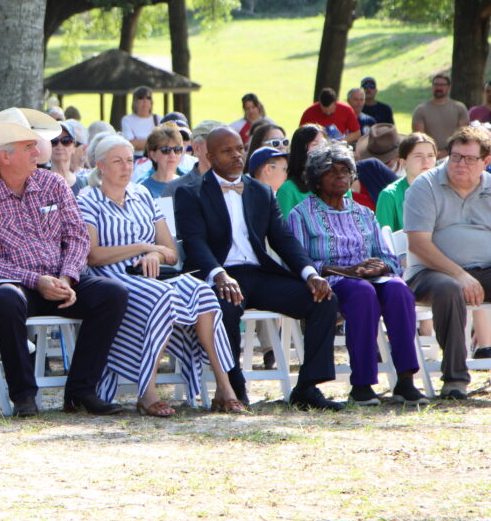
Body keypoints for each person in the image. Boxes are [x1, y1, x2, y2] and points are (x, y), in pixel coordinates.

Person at [0, 107, 129, 417]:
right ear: (5, 157)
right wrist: (37, 281)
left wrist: (66, 277)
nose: (38, 151)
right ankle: (24, 396)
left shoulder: (53, 184)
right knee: (7, 301)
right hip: (14, 286)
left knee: (112, 294)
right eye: (29, 146)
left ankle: (80, 392)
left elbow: (78, 238)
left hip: (60, 281)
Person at [174, 127, 341, 411]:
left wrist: (310, 274)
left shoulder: (260, 192)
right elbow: (195, 242)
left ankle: (307, 388)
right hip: (219, 275)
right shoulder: (191, 193)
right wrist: (219, 275)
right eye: (227, 151)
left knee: (324, 299)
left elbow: (283, 239)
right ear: (211, 157)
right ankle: (234, 389)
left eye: (240, 148)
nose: (237, 155)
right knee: (223, 306)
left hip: (259, 274)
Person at [78, 135, 245, 415]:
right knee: (163, 296)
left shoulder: (142, 194)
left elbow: (171, 252)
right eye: (118, 161)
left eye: (130, 160)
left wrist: (155, 254)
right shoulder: (88, 199)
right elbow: (93, 255)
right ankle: (147, 392)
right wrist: (143, 247)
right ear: (101, 166)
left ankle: (224, 387)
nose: (126, 167)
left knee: (203, 292)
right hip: (112, 277)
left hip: (154, 275)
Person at [287, 145, 425, 405]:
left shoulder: (363, 212)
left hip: (370, 277)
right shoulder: (302, 214)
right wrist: (344, 271)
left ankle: (405, 380)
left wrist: (380, 267)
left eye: (346, 170)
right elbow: (299, 261)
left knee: (398, 290)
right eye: (331, 171)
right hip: (330, 281)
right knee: (363, 293)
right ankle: (362, 385)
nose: (340, 176)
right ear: (316, 180)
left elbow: (388, 257)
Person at [404, 126, 491, 400]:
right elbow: (418, 243)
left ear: (485, 162)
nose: (460, 164)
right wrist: (460, 275)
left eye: (469, 158)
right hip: (431, 273)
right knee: (449, 288)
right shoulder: (426, 185)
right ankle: (455, 379)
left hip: (484, 271)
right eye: (455, 156)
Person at [376, 133, 437, 233]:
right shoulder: (389, 196)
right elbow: (383, 244)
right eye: (418, 156)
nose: (426, 161)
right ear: (403, 163)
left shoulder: (446, 191)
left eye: (430, 156)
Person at [161, 120, 227, 198]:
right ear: (197, 148)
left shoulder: (239, 185)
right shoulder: (173, 189)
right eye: (215, 144)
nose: (223, 150)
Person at [276, 124, 327, 218]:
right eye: (315, 144)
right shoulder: (288, 190)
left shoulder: (339, 185)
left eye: (324, 144)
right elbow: (284, 229)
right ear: (300, 151)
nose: (323, 149)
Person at [412, 74, 468, 156]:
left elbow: (463, 135)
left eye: (442, 85)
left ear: (449, 87)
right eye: (436, 84)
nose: (438, 88)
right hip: (429, 155)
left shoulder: (460, 108)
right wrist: (434, 153)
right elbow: (419, 138)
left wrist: (447, 152)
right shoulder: (421, 110)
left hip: (455, 154)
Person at [136, 125, 185, 198]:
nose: (172, 155)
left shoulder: (188, 185)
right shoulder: (142, 190)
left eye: (177, 149)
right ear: (153, 155)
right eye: (166, 150)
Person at [120, 86, 160, 158]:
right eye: (141, 97)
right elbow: (130, 144)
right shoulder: (127, 120)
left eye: (148, 98)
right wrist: (155, 142)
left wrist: (139, 142)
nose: (145, 101)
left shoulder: (158, 119)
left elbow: (164, 142)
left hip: (155, 158)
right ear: (134, 102)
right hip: (136, 158)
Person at [48, 121, 86, 195]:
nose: (59, 146)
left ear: (74, 147)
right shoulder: (40, 183)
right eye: (54, 141)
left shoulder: (84, 183)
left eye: (66, 141)